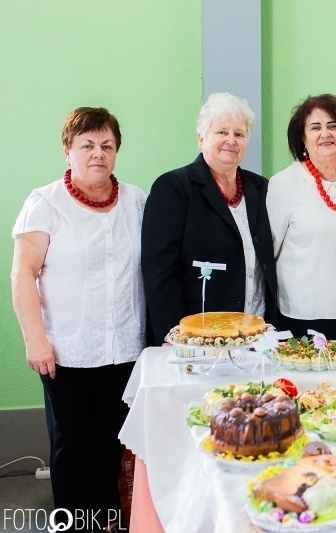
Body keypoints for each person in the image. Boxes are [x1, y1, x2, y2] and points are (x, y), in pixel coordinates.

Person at [10, 107, 146, 530]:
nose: (97, 154)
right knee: (71, 447)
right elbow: (22, 274)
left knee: (112, 444)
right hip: (66, 351)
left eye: (107, 146)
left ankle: (106, 522)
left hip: (124, 348)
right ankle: (72, 524)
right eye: (86, 145)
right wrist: (36, 340)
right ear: (68, 150)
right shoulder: (45, 203)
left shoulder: (137, 202)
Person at [142, 93, 278, 345]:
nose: (231, 140)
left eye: (239, 134)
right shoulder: (173, 188)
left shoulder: (261, 189)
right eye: (222, 132)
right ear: (201, 138)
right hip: (199, 339)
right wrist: (175, 337)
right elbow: (159, 272)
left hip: (257, 335)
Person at [267, 94, 336, 339]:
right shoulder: (283, 184)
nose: (325, 134)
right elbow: (269, 254)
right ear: (303, 138)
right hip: (301, 318)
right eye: (315, 127)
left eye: (333, 126)